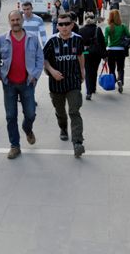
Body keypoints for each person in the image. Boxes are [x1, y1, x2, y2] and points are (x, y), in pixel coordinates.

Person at [0, 10, 44, 159]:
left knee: (30, 114)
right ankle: (15, 146)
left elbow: (40, 59)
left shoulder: (33, 39)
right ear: (9, 21)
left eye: (18, 19)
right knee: (11, 116)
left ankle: (27, 129)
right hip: (9, 84)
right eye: (13, 20)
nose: (15, 22)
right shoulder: (1, 40)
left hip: (27, 83)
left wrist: (35, 76)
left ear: (22, 20)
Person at [43, 12, 86, 158]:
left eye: (67, 24)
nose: (64, 27)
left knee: (74, 111)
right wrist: (52, 71)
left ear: (72, 25)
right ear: (57, 26)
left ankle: (78, 142)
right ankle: (63, 128)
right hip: (56, 84)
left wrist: (82, 71)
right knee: (60, 112)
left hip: (73, 82)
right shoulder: (51, 41)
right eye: (60, 24)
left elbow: (80, 55)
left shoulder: (78, 40)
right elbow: (44, 59)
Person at [79, 13, 106, 100]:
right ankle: (93, 88)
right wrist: (105, 55)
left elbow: (79, 43)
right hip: (96, 53)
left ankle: (88, 92)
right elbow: (102, 43)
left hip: (86, 53)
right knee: (94, 70)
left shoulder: (81, 30)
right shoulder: (98, 29)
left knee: (88, 71)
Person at [104, 9, 130, 94]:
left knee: (112, 68)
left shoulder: (108, 28)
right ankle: (120, 81)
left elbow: (105, 41)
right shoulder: (123, 27)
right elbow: (129, 36)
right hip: (121, 50)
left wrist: (103, 51)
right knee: (120, 67)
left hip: (111, 50)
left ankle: (114, 81)